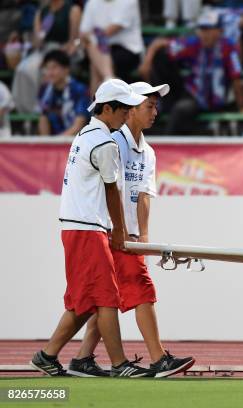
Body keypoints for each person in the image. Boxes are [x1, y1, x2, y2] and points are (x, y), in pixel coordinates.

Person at [67, 82, 196, 378]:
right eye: (147, 106)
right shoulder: (113, 142)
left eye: (155, 106)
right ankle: (158, 357)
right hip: (111, 232)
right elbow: (109, 190)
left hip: (126, 235)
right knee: (140, 290)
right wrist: (120, 232)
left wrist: (144, 238)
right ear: (130, 110)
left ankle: (81, 357)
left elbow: (144, 195)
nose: (155, 111)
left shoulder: (147, 152)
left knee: (102, 298)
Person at [29, 78, 153, 378]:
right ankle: (120, 364)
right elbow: (112, 192)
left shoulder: (85, 135)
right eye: (123, 108)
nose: (127, 114)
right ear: (107, 108)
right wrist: (121, 232)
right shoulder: (105, 143)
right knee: (106, 298)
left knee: (84, 301)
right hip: (88, 228)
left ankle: (46, 356)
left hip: (77, 226)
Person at [139, 9, 243, 134]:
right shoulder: (194, 43)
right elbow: (159, 44)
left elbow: (237, 78)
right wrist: (146, 62)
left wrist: (242, 107)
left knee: (181, 110)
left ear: (219, 31)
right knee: (161, 56)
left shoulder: (229, 47)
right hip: (194, 95)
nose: (204, 34)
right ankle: (164, 104)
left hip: (217, 101)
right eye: (202, 29)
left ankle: (168, 143)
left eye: (208, 29)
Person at [11, 0, 81, 113]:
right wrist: (40, 34)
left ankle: (42, 106)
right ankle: (26, 108)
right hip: (44, 50)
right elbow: (37, 42)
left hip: (64, 50)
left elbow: (75, 40)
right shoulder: (41, 12)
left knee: (41, 69)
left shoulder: (73, 9)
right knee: (23, 69)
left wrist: (67, 48)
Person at [79, 0, 144, 92]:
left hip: (128, 50)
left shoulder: (129, 1)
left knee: (94, 63)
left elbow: (110, 31)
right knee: (93, 49)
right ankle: (109, 78)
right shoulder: (92, 3)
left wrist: (92, 36)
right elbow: (83, 33)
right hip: (98, 49)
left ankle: (96, 103)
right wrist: (92, 37)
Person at [38, 49, 89, 136]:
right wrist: (46, 144)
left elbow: (78, 126)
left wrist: (57, 144)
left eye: (54, 67)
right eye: (47, 68)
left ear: (66, 69)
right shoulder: (45, 91)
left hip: (78, 142)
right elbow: (43, 118)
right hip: (54, 143)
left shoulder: (79, 90)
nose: (50, 73)